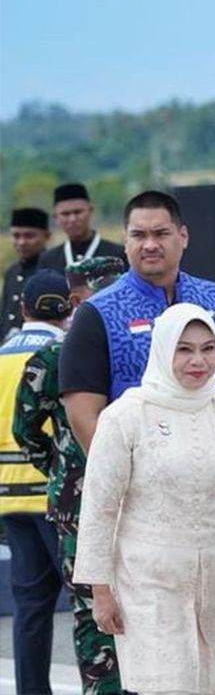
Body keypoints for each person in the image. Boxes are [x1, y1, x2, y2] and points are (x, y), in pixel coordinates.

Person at [59, 190, 215, 693]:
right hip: (148, 520)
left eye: (161, 233)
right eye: (138, 235)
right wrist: (157, 482)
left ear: (183, 237)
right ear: (125, 241)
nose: (150, 245)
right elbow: (84, 417)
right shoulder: (101, 314)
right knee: (167, 671)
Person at [13, 257, 126, 694]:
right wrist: (62, 467)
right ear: (77, 299)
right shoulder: (59, 354)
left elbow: (25, 430)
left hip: (82, 496)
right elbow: (24, 429)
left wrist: (60, 467)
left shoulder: (57, 354)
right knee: (95, 604)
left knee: (92, 608)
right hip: (84, 502)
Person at [0, 271, 71, 693]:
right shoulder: (63, 353)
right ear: (68, 308)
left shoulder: (1, 354)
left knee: (30, 609)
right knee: (88, 604)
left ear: (23, 308)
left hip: (9, 497)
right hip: (56, 495)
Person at [38, 183, 127, 272]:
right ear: (56, 218)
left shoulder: (118, 254)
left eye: (78, 212)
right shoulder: (48, 260)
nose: (72, 219)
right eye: (65, 214)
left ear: (91, 211)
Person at [2, 207, 52, 340]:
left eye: (29, 236)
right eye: (16, 236)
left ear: (46, 236)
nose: (22, 242)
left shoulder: (53, 271)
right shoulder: (11, 272)